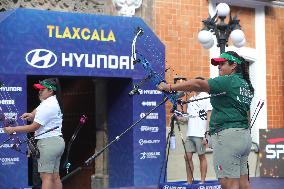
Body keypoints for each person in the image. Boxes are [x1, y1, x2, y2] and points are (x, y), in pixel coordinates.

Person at [158, 51, 254, 189]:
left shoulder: (228, 81)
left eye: (222, 63)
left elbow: (198, 84)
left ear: (233, 66)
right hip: (243, 137)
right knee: (243, 182)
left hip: (228, 138)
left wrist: (170, 87)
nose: (219, 67)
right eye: (218, 64)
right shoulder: (246, 84)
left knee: (228, 184)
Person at [4, 78, 65, 189]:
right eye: (39, 89)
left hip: (48, 143)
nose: (39, 91)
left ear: (51, 91)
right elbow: (37, 111)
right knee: (55, 176)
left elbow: (33, 127)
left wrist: (13, 129)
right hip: (56, 142)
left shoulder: (48, 105)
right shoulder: (51, 101)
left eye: (42, 89)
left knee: (45, 177)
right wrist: (31, 115)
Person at [176, 77, 212, 184]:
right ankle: (189, 181)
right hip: (190, 133)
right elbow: (188, 118)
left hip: (201, 134)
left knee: (202, 157)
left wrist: (207, 134)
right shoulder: (191, 99)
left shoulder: (207, 97)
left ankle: (202, 181)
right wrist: (180, 116)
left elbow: (209, 117)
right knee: (187, 157)